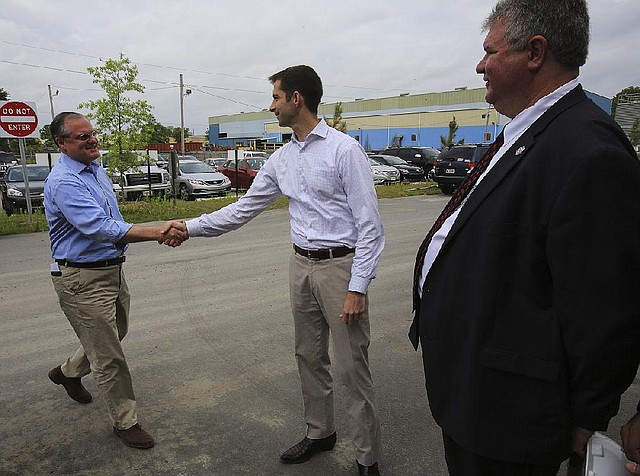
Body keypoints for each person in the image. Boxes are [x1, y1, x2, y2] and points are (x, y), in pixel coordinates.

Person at [409, 1, 640, 474]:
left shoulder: (589, 150)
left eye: (490, 51)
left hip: (511, 418)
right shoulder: (531, 129)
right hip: (476, 396)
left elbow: (605, 310)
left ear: (535, 52)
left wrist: (588, 416)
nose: (480, 65)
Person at [165, 65, 384, 475]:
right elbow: (243, 209)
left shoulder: (343, 151)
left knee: (352, 365)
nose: (272, 106)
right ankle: (321, 433)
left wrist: (358, 286)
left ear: (296, 99)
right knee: (308, 355)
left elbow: (370, 225)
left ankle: (366, 456)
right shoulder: (281, 158)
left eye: (277, 97)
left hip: (341, 268)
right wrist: (190, 227)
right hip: (300, 265)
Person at [44, 112, 187, 449]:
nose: (92, 140)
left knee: (116, 332)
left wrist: (145, 232)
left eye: (92, 133)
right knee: (108, 357)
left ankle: (66, 372)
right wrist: (157, 232)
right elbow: (99, 228)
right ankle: (126, 422)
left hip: (110, 269)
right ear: (61, 144)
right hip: (81, 278)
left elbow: (114, 220)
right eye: (82, 137)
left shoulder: (95, 170)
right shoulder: (65, 181)